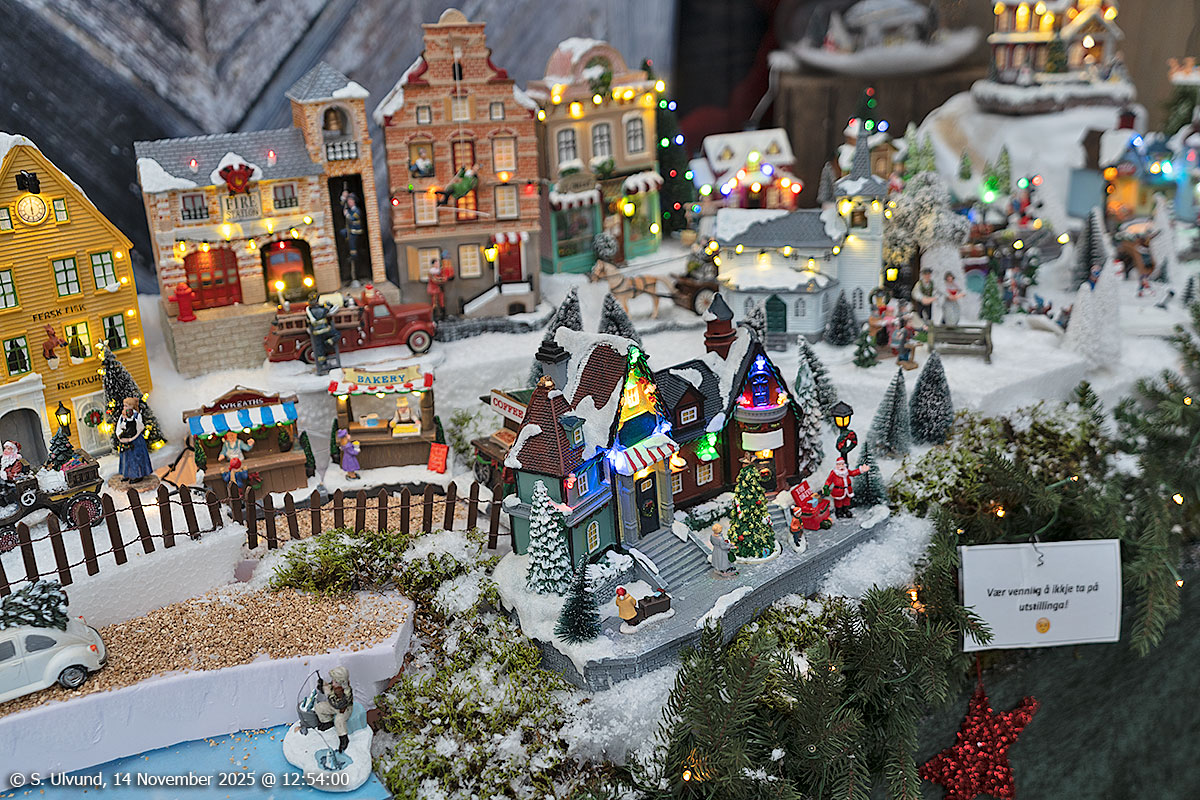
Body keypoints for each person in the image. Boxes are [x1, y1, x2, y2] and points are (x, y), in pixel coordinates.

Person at [315, 665, 354, 752]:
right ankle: (327, 722)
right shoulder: (335, 686)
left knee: (339, 720)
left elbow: (338, 704)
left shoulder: (347, 692)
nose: (333, 683)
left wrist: (328, 693)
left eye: (335, 682)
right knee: (319, 707)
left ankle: (343, 739)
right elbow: (328, 687)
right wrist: (322, 685)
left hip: (344, 709)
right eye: (333, 680)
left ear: (341, 682)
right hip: (333, 706)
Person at [117, 397, 153, 484]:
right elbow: (119, 427)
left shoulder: (137, 415)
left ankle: (138, 475)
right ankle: (127, 474)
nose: (124, 408)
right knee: (126, 458)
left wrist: (131, 437)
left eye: (126, 406)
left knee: (136, 458)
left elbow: (140, 427)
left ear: (131, 406)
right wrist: (120, 436)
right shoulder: (122, 416)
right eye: (124, 406)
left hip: (136, 441)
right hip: (125, 440)